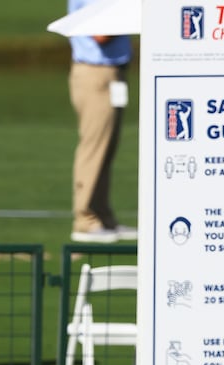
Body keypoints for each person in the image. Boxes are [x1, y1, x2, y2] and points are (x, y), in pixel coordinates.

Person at [67, 0, 137, 243]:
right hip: (95, 73)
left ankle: (104, 216)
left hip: (111, 73)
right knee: (94, 147)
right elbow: (101, 34)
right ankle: (86, 220)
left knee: (106, 148)